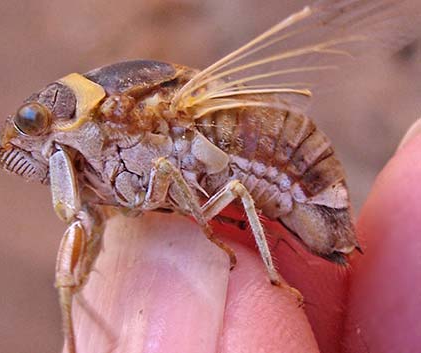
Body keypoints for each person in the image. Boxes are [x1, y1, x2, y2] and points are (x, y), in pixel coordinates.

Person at [66, 119, 421, 353]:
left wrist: (209, 235)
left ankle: (271, 275)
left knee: (233, 189)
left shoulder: (129, 133)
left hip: (298, 177)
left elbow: (170, 172)